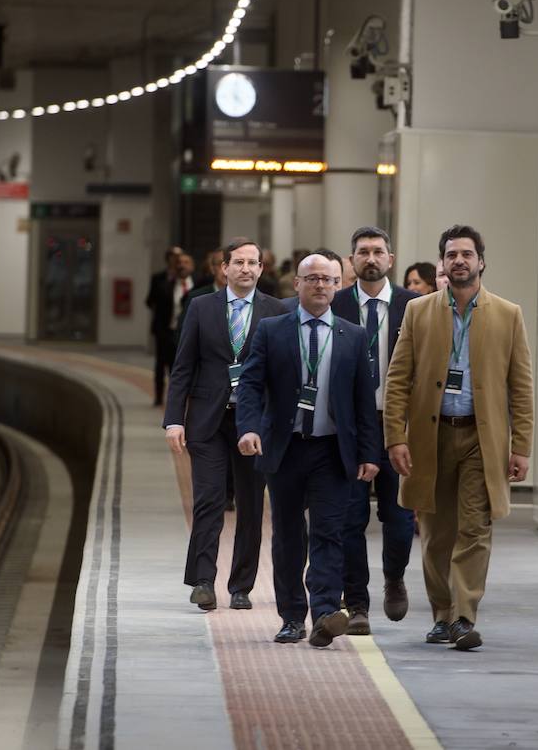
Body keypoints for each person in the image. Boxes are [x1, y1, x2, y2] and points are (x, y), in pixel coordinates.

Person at [385, 224, 533, 651]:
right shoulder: (420, 312)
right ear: (443, 264)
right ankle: (441, 614)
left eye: (467, 254)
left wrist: (520, 446)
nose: (460, 261)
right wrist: (396, 436)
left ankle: (464, 617)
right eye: (452, 255)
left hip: (479, 440)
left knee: (475, 528)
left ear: (481, 261)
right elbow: (398, 379)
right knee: (435, 532)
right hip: (430, 438)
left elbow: (521, 387)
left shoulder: (508, 314)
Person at [236, 250, 382, 648]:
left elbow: (363, 403)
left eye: (328, 279)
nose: (320, 285)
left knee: (328, 534)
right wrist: (248, 428)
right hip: (285, 449)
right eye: (312, 278)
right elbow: (249, 384)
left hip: (332, 452)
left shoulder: (352, 336)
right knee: (287, 536)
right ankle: (290, 617)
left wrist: (370, 453)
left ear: (339, 286)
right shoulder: (272, 329)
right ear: (296, 284)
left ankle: (323, 614)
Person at [164, 239, 288, 611]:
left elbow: (282, 373)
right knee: (208, 501)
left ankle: (241, 586)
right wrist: (174, 419)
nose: (246, 269)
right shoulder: (202, 307)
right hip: (208, 421)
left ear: (261, 269)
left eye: (253, 263)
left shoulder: (276, 310)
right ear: (224, 268)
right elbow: (183, 366)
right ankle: (203, 580)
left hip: (254, 424)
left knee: (251, 506)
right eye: (238, 262)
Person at [332, 227, 419, 635]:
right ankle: (358, 603)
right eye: (362, 252)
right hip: (348, 430)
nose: (371, 258)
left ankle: (395, 576)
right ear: (351, 261)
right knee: (350, 518)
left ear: (390, 258)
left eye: (378, 251)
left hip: (396, 426)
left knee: (399, 518)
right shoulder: (335, 305)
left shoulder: (415, 306)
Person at [145, 246, 189, 405]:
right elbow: (149, 301)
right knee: (160, 363)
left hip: (180, 329)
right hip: (163, 327)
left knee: (175, 365)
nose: (177, 261)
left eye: (179, 257)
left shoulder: (184, 279)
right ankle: (158, 396)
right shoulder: (159, 278)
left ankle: (174, 398)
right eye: (174, 257)